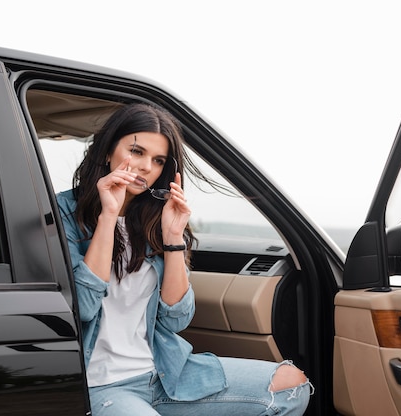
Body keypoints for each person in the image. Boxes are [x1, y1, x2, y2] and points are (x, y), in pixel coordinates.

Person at [57, 102, 313, 415]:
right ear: (108, 150)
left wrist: (173, 239)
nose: (146, 167)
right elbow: (82, 307)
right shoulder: (63, 216)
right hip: (101, 386)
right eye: (136, 152)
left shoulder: (151, 220)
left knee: (290, 386)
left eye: (158, 160)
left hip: (164, 373)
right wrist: (109, 215)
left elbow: (176, 319)